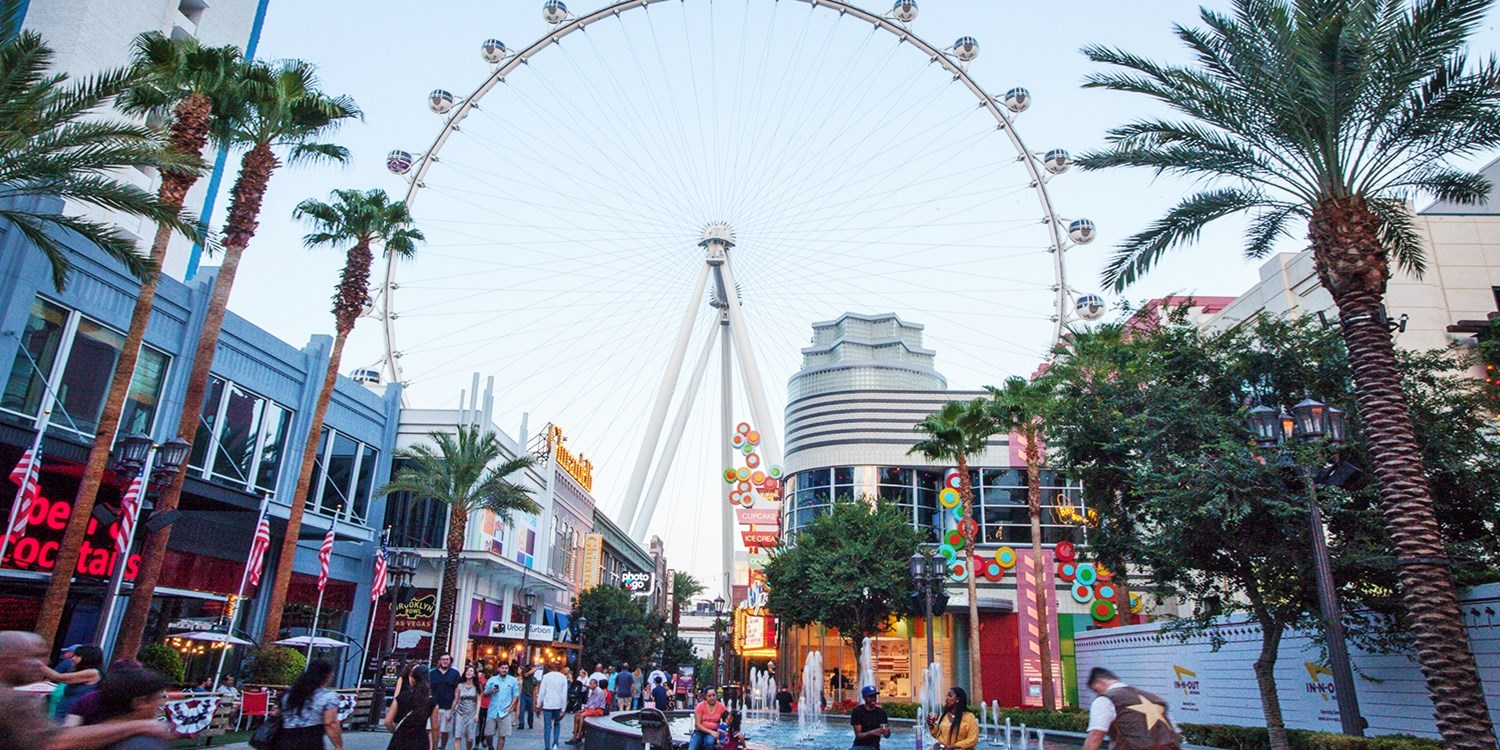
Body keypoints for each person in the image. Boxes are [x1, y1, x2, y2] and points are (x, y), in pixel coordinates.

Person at [0, 632, 173, 750]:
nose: (41, 662)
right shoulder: (11, 699)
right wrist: (141, 726)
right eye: (33, 656)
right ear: (7, 659)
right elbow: (53, 742)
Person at [1082, 667, 1180, 750]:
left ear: (1099, 682)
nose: (1097, 694)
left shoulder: (1106, 699)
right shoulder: (1154, 698)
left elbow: (1096, 735)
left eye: (1095, 690)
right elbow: (1175, 732)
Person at [94, 668, 172, 750]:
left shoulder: (92, 733)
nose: (162, 703)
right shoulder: (142, 744)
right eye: (159, 697)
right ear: (139, 702)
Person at [275, 659, 343, 750]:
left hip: (285, 738)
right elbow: (330, 723)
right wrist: (338, 746)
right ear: (328, 676)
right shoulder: (329, 696)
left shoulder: (289, 693)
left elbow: (278, 713)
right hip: (311, 740)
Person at [386, 664, 439, 750]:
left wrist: (395, 731)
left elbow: (388, 721)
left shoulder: (401, 697)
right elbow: (435, 728)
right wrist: (434, 747)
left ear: (412, 679)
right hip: (420, 741)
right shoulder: (431, 701)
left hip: (399, 740)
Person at [49, 644, 104, 720]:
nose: (73, 658)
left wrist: (39, 665)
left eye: (77, 656)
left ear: (87, 658)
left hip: (71, 717)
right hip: (62, 713)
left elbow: (58, 677)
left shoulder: (92, 672)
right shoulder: (79, 670)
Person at [483, 661, 519, 750]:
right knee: (488, 733)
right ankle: (490, 746)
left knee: (502, 735)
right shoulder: (492, 680)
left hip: (504, 711)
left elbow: (516, 695)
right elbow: (485, 693)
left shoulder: (512, 680)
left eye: (506, 668)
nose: (504, 670)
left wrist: (510, 707)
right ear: (498, 669)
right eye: (502, 668)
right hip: (493, 710)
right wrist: (492, 691)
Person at [430, 653, 463, 750]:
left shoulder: (455, 674)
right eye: (443, 659)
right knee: (431, 729)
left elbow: (458, 691)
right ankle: (433, 747)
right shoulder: (432, 673)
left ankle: (443, 747)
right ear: (439, 661)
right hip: (433, 707)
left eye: (447, 659)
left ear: (450, 661)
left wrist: (454, 707)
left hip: (448, 707)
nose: (445, 661)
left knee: (444, 731)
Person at [536, 663, 570, 750]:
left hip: (548, 704)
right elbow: (564, 694)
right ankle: (555, 743)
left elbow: (542, 692)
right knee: (557, 724)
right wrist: (563, 708)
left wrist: (538, 705)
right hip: (558, 704)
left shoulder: (546, 677)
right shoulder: (563, 678)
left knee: (547, 726)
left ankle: (547, 746)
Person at [564, 678, 605, 744]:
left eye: (591, 684)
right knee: (576, 716)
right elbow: (589, 702)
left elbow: (596, 705)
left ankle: (579, 735)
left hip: (598, 710)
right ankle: (574, 736)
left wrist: (585, 709)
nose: (589, 685)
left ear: (595, 684)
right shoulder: (593, 691)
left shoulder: (599, 692)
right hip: (592, 709)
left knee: (581, 716)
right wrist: (584, 708)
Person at [851, 685, 890, 750]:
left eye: (874, 696)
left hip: (873, 747)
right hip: (859, 746)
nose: (873, 699)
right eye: (870, 696)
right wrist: (872, 732)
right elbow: (858, 735)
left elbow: (887, 735)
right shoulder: (857, 711)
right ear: (864, 698)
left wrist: (887, 732)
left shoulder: (881, 713)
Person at [451, 665, 480, 750]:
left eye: (471, 671)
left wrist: (477, 714)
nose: (468, 672)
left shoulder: (477, 687)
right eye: (467, 671)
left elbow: (479, 700)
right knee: (458, 736)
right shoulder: (460, 686)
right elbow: (456, 699)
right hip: (460, 712)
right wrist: (451, 712)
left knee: (470, 739)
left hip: (472, 712)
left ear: (474, 674)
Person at [475, 667, 492, 750]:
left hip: (489, 704)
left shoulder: (492, 680)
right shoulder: (480, 679)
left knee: (486, 724)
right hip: (481, 704)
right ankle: (477, 741)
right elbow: (480, 691)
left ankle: (483, 738)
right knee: (480, 724)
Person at [517, 664, 537, 730]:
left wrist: (535, 699)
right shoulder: (525, 676)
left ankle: (530, 723)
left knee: (531, 711)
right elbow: (527, 674)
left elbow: (535, 690)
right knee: (522, 710)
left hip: (530, 695)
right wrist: (534, 669)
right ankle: (521, 724)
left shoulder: (534, 679)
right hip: (524, 694)